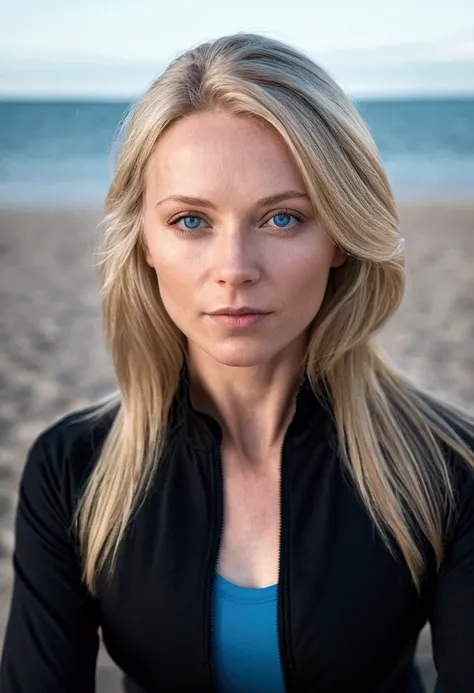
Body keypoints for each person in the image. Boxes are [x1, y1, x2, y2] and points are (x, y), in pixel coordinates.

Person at [1, 32, 473, 693]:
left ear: (339, 236)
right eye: (191, 221)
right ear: (144, 243)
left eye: (281, 219)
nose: (234, 271)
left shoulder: (448, 468)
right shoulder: (71, 472)